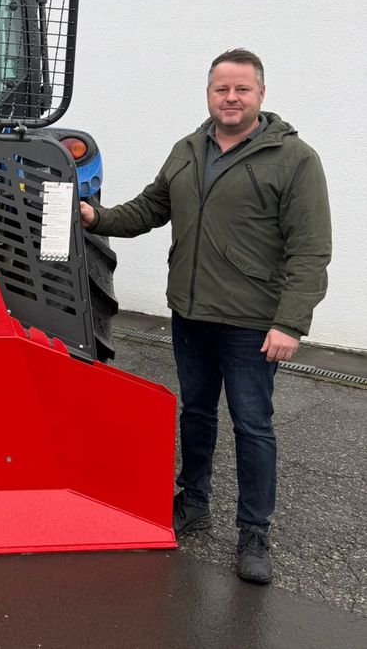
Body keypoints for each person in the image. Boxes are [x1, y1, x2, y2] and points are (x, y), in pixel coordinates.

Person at [80, 48, 331, 584]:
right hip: (191, 314)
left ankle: (254, 533)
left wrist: (290, 323)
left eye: (242, 89)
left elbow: (310, 251)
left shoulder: (294, 159)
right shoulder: (188, 149)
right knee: (195, 412)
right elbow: (150, 208)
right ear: (209, 93)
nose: (231, 98)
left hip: (251, 321)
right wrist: (95, 216)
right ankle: (193, 503)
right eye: (222, 89)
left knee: (253, 425)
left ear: (261, 94)